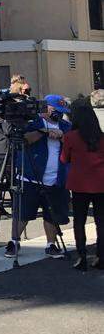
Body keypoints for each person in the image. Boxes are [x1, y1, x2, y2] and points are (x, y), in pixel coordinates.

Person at [7, 94, 71, 259]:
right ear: (46, 108)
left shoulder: (66, 126)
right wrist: (44, 132)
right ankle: (14, 241)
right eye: (57, 110)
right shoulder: (33, 123)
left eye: (62, 111)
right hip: (30, 177)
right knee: (23, 213)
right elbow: (23, 140)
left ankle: (51, 244)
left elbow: (72, 145)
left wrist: (61, 136)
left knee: (52, 214)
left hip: (56, 179)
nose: (60, 114)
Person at [61, 99, 104, 271]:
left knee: (79, 221)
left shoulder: (71, 137)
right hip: (101, 183)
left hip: (79, 184)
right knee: (101, 222)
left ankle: (82, 256)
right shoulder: (101, 137)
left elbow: (64, 159)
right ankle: (101, 256)